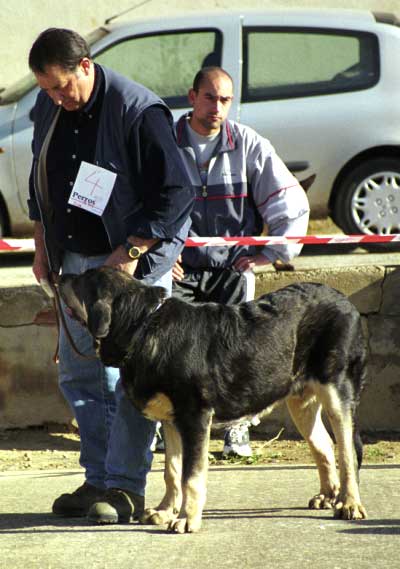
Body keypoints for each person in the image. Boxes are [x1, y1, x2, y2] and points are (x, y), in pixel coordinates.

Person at [27, 28, 193, 524]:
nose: (57, 98)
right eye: (47, 90)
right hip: (75, 263)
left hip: (131, 270)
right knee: (80, 375)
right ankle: (98, 476)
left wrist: (133, 249)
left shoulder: (138, 110)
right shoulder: (49, 107)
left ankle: (126, 487)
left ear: (85, 65)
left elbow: (178, 191)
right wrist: (41, 250)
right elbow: (41, 185)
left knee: (131, 379)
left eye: (62, 87)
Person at [172, 66, 310, 457]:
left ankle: (236, 431)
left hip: (231, 269)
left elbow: (291, 201)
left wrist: (269, 254)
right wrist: (159, 255)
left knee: (236, 352)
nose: (217, 107)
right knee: (173, 353)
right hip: (179, 269)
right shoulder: (164, 142)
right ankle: (172, 433)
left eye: (226, 100)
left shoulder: (247, 143)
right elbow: (136, 203)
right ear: (192, 96)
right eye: (210, 97)